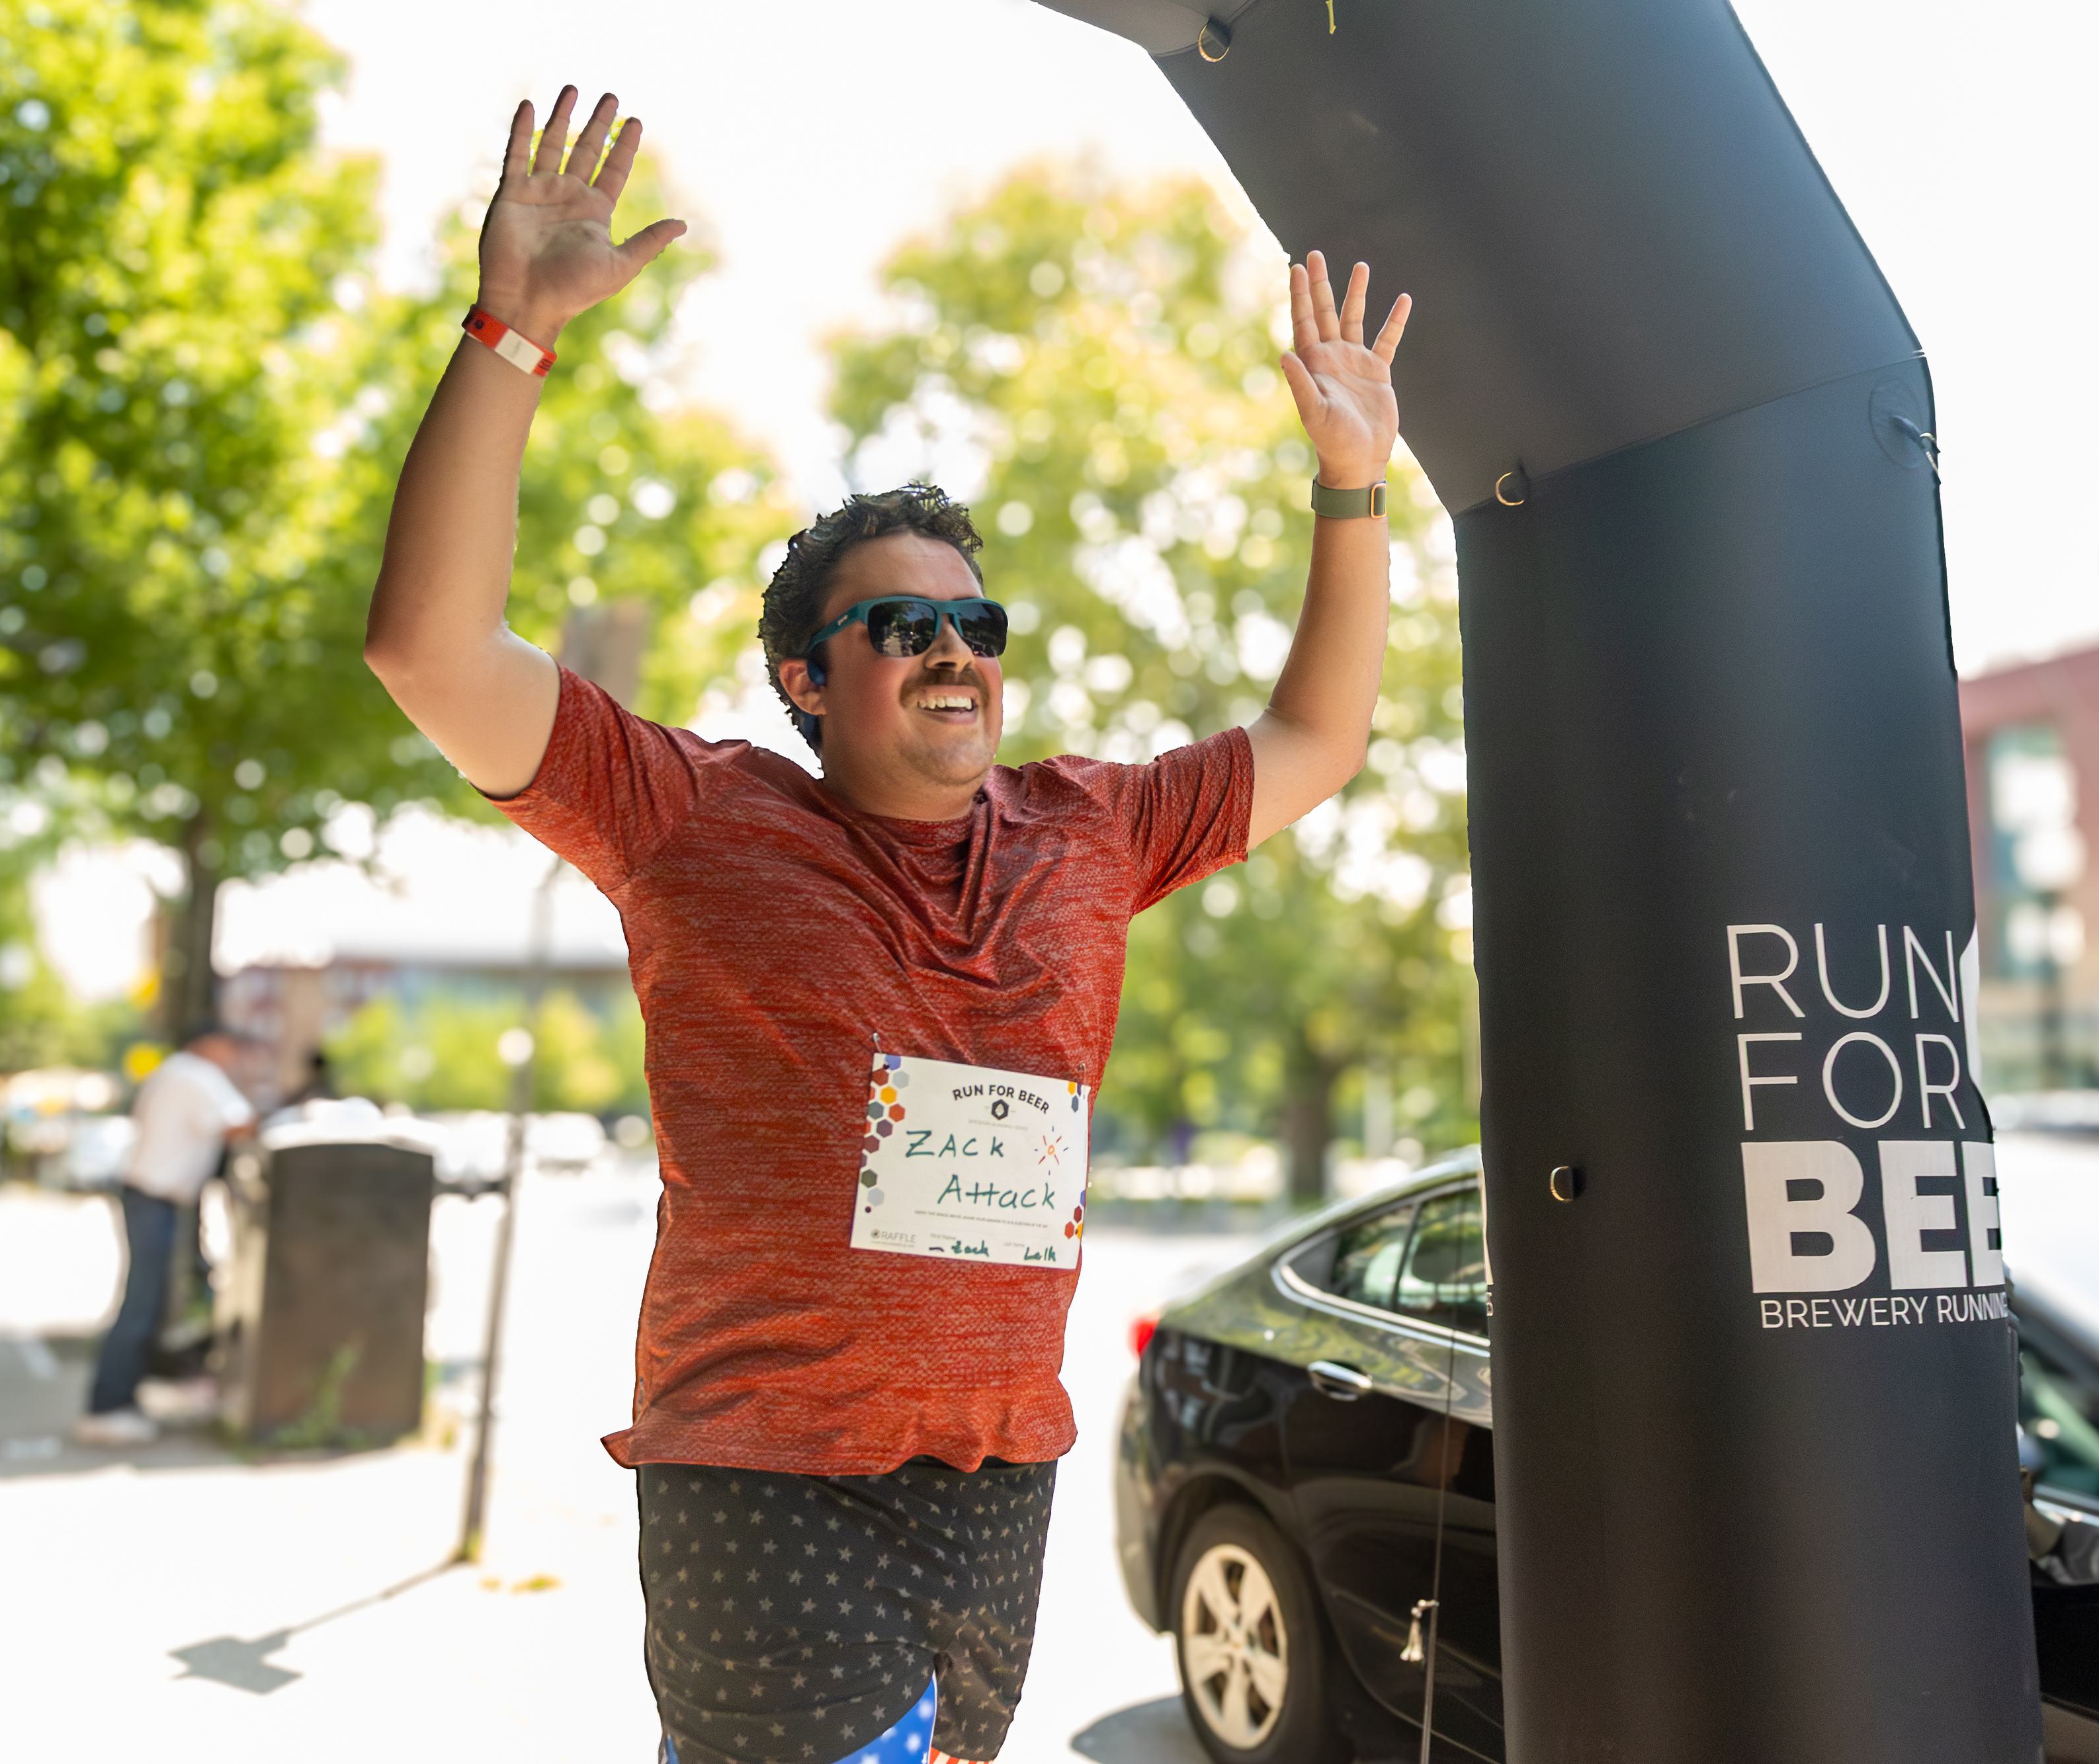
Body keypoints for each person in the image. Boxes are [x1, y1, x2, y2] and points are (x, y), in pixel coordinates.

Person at [364, 85, 1408, 1764]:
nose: (953, 648)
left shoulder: (1094, 826)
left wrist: (1348, 487)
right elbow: (427, 651)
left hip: (999, 1476)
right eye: (899, 623)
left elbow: (1319, 742)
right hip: (761, 1470)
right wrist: (509, 338)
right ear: (806, 677)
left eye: (972, 620)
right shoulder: (693, 817)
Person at [72, 1025, 256, 1448]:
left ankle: (120, 1401)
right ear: (211, 1044)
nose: (235, 1059)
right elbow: (240, 1124)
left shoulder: (175, 1072)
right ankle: (107, 1407)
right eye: (232, 1049)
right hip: (154, 1199)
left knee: (147, 1301)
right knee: (141, 1304)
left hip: (150, 1197)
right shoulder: (196, 1074)